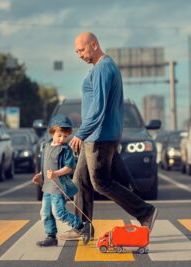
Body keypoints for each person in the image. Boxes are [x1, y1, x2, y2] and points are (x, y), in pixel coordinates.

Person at [60, 32, 158, 241]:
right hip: (95, 136)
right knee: (80, 180)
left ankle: (145, 212)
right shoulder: (99, 68)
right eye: (76, 52)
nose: (79, 55)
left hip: (100, 137)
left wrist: (82, 133)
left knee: (100, 182)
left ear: (94, 45)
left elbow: (98, 108)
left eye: (82, 50)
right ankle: (82, 226)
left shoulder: (104, 67)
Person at [32, 114, 90, 247]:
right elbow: (46, 165)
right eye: (59, 135)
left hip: (59, 187)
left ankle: (81, 226)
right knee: (45, 213)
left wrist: (56, 173)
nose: (62, 139)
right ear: (52, 132)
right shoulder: (46, 146)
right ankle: (51, 236)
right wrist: (40, 175)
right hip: (47, 187)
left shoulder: (65, 150)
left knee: (58, 212)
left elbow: (69, 167)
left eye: (65, 136)